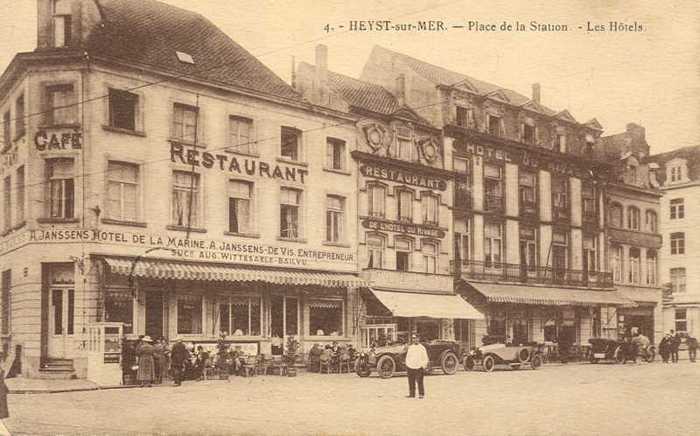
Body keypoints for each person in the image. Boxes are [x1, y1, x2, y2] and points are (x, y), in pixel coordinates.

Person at [405, 334, 429, 399]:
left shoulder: (422, 348)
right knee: (411, 381)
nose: (415, 340)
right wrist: (407, 364)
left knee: (420, 381)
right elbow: (408, 357)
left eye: (416, 338)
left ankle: (421, 394)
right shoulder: (410, 347)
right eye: (413, 338)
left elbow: (425, 358)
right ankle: (412, 394)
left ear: (419, 339)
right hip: (410, 366)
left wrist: (423, 366)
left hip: (419, 367)